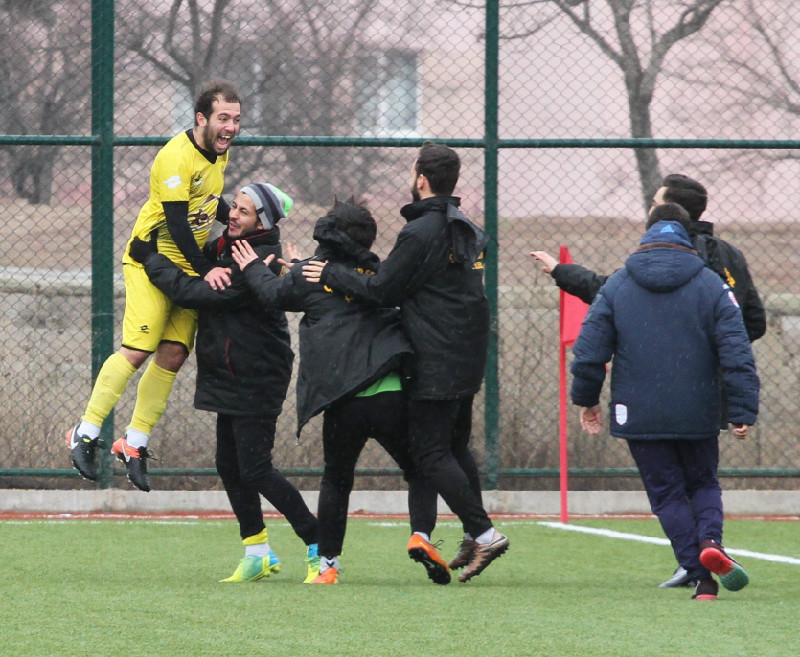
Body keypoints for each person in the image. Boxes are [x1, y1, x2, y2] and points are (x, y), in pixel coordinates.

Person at [531, 173, 766, 587]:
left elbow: (591, 346)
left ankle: (696, 567)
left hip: (639, 403)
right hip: (700, 397)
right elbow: (744, 337)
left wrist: (587, 399)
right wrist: (738, 402)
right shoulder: (716, 275)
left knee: (666, 490)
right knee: (703, 481)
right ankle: (710, 543)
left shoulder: (625, 279)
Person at [302, 142, 508, 583]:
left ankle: (484, 533)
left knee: (429, 454)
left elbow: (383, 289)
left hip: (436, 357)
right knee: (455, 447)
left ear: (421, 179)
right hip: (469, 354)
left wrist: (329, 273)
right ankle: (469, 536)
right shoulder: (466, 227)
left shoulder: (420, 232)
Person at [230, 197, 440, 585]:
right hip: (389, 392)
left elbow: (273, 295)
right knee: (420, 470)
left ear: (327, 234)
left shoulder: (310, 274)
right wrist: (297, 267)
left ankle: (327, 566)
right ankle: (421, 535)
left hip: (343, 400)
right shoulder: (378, 274)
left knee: (337, 479)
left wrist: (253, 266)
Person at [127, 182, 320, 583]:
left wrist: (151, 259)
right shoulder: (225, 246)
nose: (233, 214)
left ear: (262, 222)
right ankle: (257, 551)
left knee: (256, 468)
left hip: (257, 373)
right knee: (229, 465)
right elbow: (197, 260)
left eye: (244, 211)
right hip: (229, 372)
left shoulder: (260, 258)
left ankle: (320, 544)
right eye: (234, 206)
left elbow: (200, 293)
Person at [67, 79, 242, 492]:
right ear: (201, 118)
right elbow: (178, 223)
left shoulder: (220, 151)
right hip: (152, 260)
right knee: (138, 349)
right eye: (223, 118)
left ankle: (134, 442)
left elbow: (207, 201)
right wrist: (205, 270)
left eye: (236, 119)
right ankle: (85, 431)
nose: (231, 127)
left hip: (188, 267)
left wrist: (239, 218)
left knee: (174, 353)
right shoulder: (175, 156)